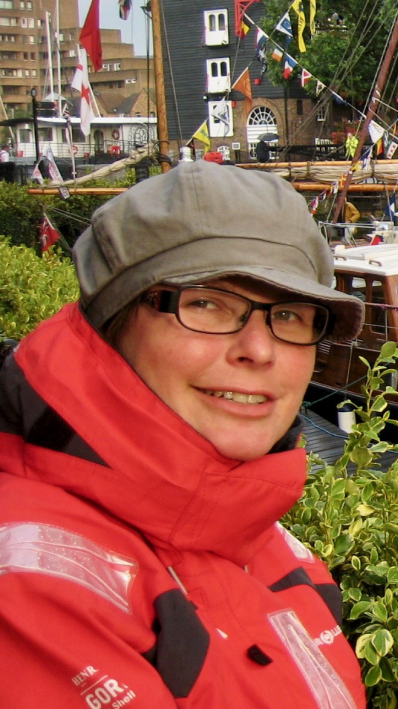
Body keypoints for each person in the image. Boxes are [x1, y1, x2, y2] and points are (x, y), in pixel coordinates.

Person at [0, 161, 367, 707]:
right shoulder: (33, 589)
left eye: (289, 315)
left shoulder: (268, 545)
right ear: (113, 323)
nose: (259, 349)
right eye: (206, 303)